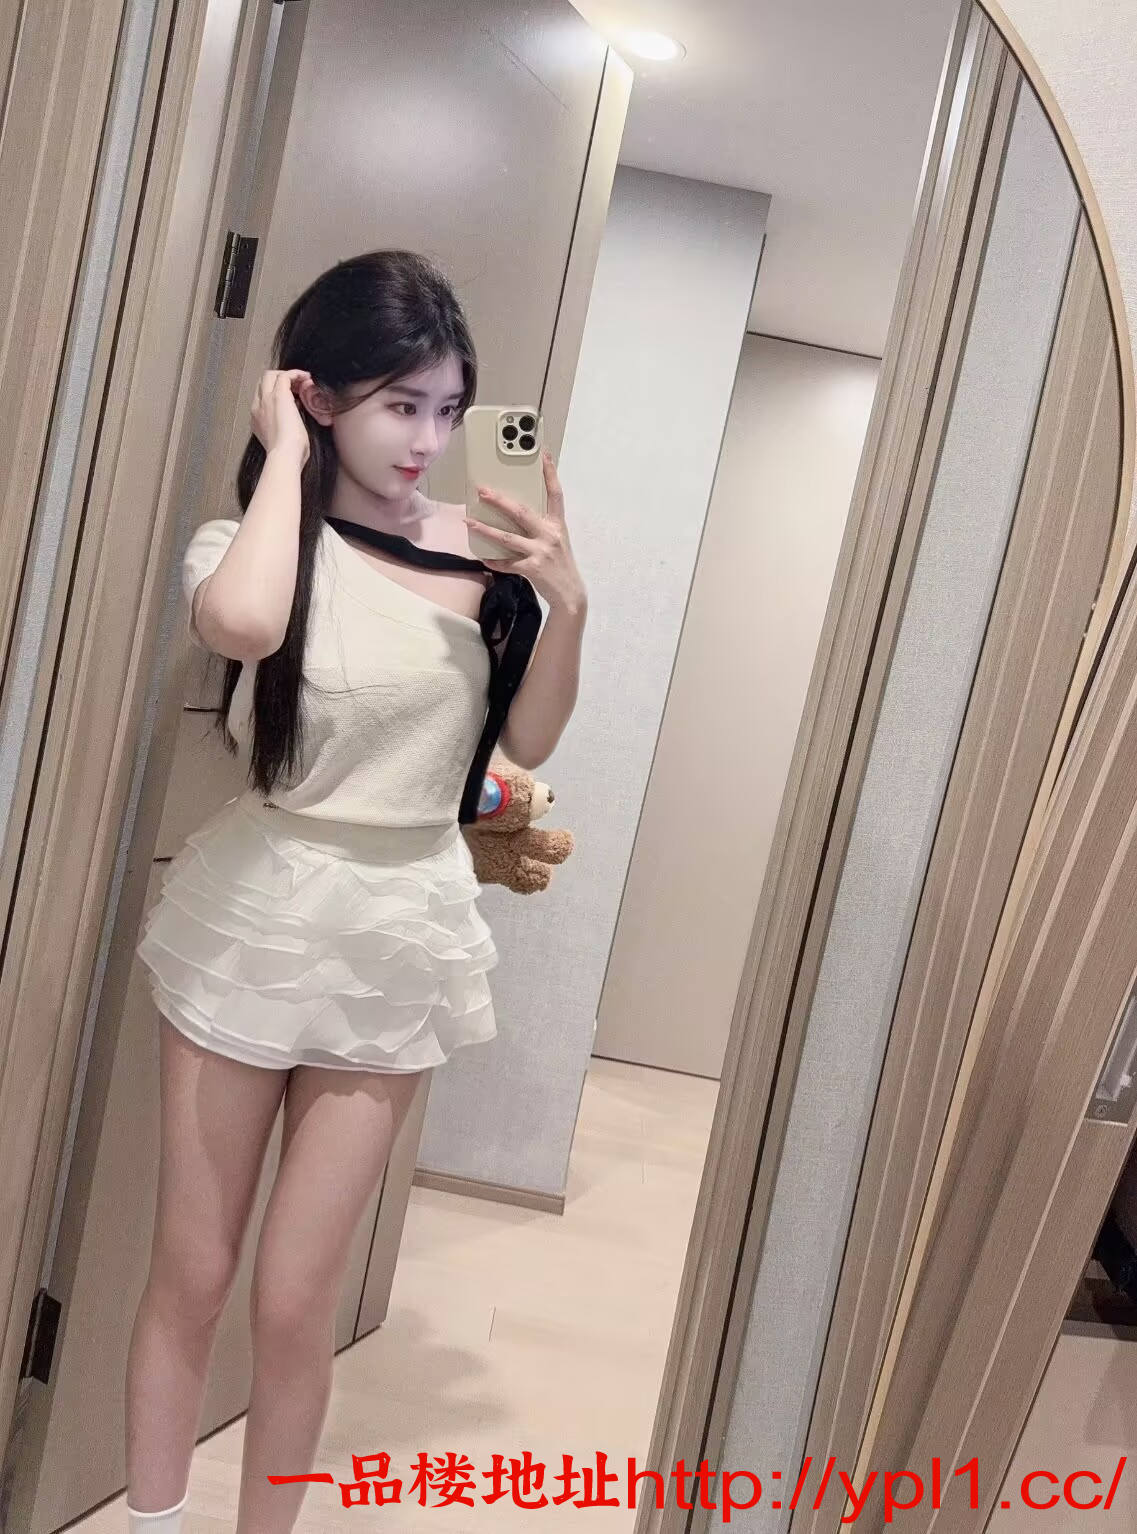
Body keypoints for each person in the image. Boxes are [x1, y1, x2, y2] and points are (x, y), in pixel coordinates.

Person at [124, 250, 587, 1534]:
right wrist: (285, 455)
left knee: (294, 1300)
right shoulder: (248, 540)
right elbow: (244, 628)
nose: (429, 441)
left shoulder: (483, 554)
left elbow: (528, 742)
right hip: (260, 912)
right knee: (194, 1268)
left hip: (400, 921)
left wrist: (566, 600)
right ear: (320, 395)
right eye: (400, 405)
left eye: (450, 409)